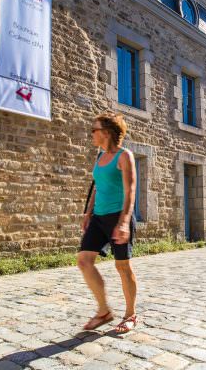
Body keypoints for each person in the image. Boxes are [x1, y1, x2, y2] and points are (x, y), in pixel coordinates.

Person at [77, 112, 138, 333]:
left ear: (106, 132)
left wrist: (123, 222)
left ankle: (130, 314)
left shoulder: (124, 156)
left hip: (117, 216)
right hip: (99, 217)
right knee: (84, 260)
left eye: (94, 129)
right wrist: (88, 213)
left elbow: (130, 191)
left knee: (122, 266)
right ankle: (103, 311)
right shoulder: (99, 157)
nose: (91, 133)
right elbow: (97, 187)